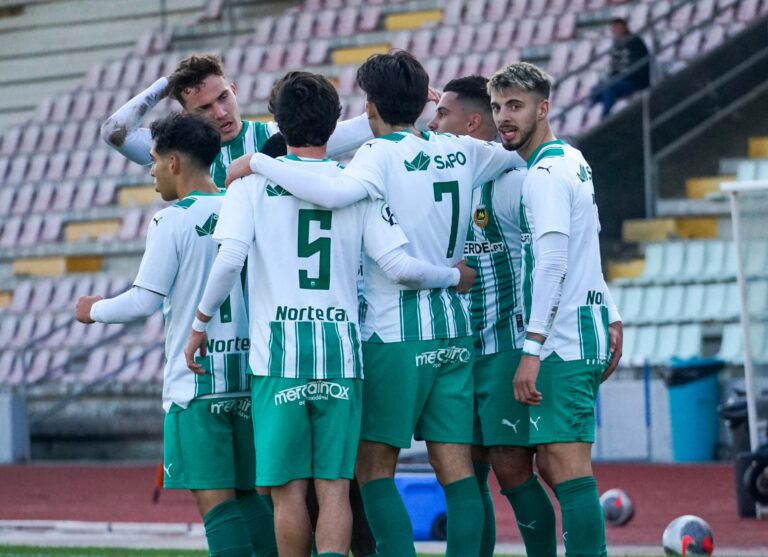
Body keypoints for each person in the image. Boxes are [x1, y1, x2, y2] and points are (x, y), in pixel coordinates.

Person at [226, 51, 522, 557]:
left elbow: (331, 195)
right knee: (458, 472)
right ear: (422, 100)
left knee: (371, 470)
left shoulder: (374, 157)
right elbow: (515, 155)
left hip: (394, 330)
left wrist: (258, 161)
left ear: (369, 105)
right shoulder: (464, 149)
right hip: (453, 326)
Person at [74, 112, 277, 557]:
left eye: (152, 160)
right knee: (253, 499)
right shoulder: (245, 205)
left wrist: (93, 311)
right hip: (249, 378)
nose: (148, 170)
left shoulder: (172, 220)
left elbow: (143, 301)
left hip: (196, 384)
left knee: (219, 510)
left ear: (173, 162)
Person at [488, 61, 623, 557]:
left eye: (516, 107)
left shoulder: (543, 173)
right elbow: (593, 245)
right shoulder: (572, 158)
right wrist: (610, 310)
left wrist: (532, 347)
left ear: (543, 109)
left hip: (561, 340)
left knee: (566, 467)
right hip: (579, 328)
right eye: (499, 107)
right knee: (554, 465)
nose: (505, 117)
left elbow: (554, 263)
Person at [429, 74, 557, 557]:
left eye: (444, 113)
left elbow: (549, 258)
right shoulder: (444, 180)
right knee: (466, 471)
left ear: (472, 122)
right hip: (458, 350)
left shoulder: (513, 183)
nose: (435, 122)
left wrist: (534, 344)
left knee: (510, 467)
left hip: (503, 347)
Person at [100, 53, 374, 187]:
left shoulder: (283, 138)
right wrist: (166, 84)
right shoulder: (179, 153)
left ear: (234, 91)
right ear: (186, 117)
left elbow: (363, 127)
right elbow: (114, 130)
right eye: (204, 108)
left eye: (222, 98)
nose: (220, 113)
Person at [590, 17, 651, 117]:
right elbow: (614, 67)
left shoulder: (635, 42)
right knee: (596, 89)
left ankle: (604, 118)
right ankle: (589, 117)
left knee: (609, 88)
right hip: (620, 79)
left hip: (635, 80)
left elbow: (639, 66)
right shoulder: (616, 44)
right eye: (613, 29)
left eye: (618, 28)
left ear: (625, 27)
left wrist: (620, 76)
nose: (615, 31)